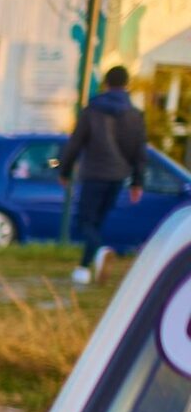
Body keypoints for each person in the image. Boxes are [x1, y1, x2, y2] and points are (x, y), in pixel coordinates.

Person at [59, 65, 148, 285]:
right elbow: (140, 151)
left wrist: (65, 170)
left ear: (106, 84)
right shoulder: (135, 115)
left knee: (84, 222)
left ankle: (97, 253)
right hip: (118, 176)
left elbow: (75, 143)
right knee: (97, 222)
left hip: (93, 174)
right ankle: (83, 268)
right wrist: (137, 182)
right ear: (126, 85)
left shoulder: (93, 110)